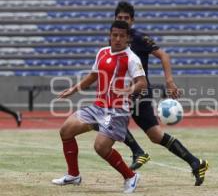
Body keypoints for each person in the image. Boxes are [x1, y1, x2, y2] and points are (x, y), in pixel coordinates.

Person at [113, 1, 209, 186]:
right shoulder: (115, 39)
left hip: (138, 91)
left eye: (126, 18)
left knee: (108, 116)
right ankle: (196, 163)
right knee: (156, 135)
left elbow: (164, 56)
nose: (123, 21)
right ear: (115, 19)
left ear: (132, 20)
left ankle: (138, 152)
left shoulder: (140, 38)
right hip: (124, 91)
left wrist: (170, 81)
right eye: (120, 18)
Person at [51, 20, 147, 193]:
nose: (117, 39)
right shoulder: (102, 52)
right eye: (114, 35)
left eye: (121, 36)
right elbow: (92, 76)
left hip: (117, 111)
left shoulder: (131, 58)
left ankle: (130, 176)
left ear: (127, 39)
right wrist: (73, 89)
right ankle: (73, 175)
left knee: (101, 147)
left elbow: (142, 83)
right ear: (109, 36)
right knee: (66, 130)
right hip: (98, 107)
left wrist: (127, 89)